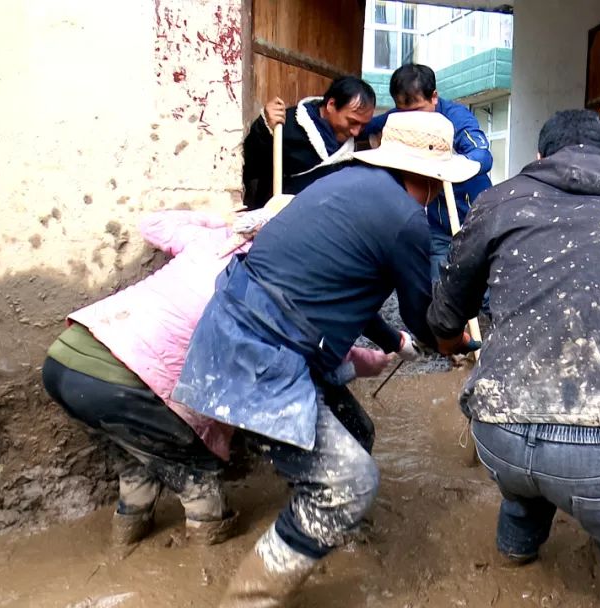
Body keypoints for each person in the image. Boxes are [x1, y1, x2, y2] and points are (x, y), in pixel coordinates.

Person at [172, 112, 480, 607]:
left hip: (233, 328)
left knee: (357, 432)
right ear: (430, 176)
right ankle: (250, 598)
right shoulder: (405, 220)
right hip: (263, 352)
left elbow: (344, 285)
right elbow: (428, 321)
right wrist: (451, 340)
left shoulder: (343, 183)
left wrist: (392, 339)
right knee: (352, 483)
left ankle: (326, 527)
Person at [427, 109, 600, 607]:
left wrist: (450, 345)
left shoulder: (497, 201)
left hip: (497, 434)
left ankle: (516, 552)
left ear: (540, 157)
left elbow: (444, 316)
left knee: (524, 482)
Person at [39, 208, 398, 548]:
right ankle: (206, 565)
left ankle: (123, 552)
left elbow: (153, 223)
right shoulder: (270, 282)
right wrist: (376, 360)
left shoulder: (212, 242)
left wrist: (224, 221)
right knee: (199, 479)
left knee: (139, 471)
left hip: (67, 360)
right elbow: (320, 357)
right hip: (129, 380)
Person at [365, 64, 493, 281]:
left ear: (434, 97)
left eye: (417, 110)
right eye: (404, 112)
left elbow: (482, 155)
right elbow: (361, 126)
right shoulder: (399, 118)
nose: (411, 119)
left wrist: (450, 165)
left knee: (483, 289)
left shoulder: (455, 117)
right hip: (436, 222)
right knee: (437, 288)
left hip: (474, 216)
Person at [242, 76, 376, 209]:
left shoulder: (355, 144)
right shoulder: (285, 126)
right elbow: (249, 167)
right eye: (352, 122)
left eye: (363, 125)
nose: (356, 132)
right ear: (331, 105)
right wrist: (262, 128)